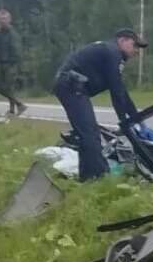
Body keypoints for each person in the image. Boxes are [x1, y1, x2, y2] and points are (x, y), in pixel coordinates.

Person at [53, 29, 148, 182]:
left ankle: (88, 177)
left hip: (71, 87)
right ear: (122, 40)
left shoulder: (110, 52)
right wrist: (125, 123)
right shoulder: (113, 53)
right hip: (71, 87)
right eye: (134, 45)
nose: (136, 51)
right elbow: (116, 93)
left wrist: (138, 119)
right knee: (90, 134)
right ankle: (98, 177)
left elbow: (121, 91)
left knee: (87, 134)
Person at [0, 8, 27, 117]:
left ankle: (17, 106)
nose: (3, 20)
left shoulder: (12, 33)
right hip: (1, 63)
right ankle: (15, 108)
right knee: (1, 88)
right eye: (1, 18)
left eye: (5, 18)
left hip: (10, 64)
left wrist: (15, 64)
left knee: (7, 88)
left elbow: (17, 49)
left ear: (9, 19)